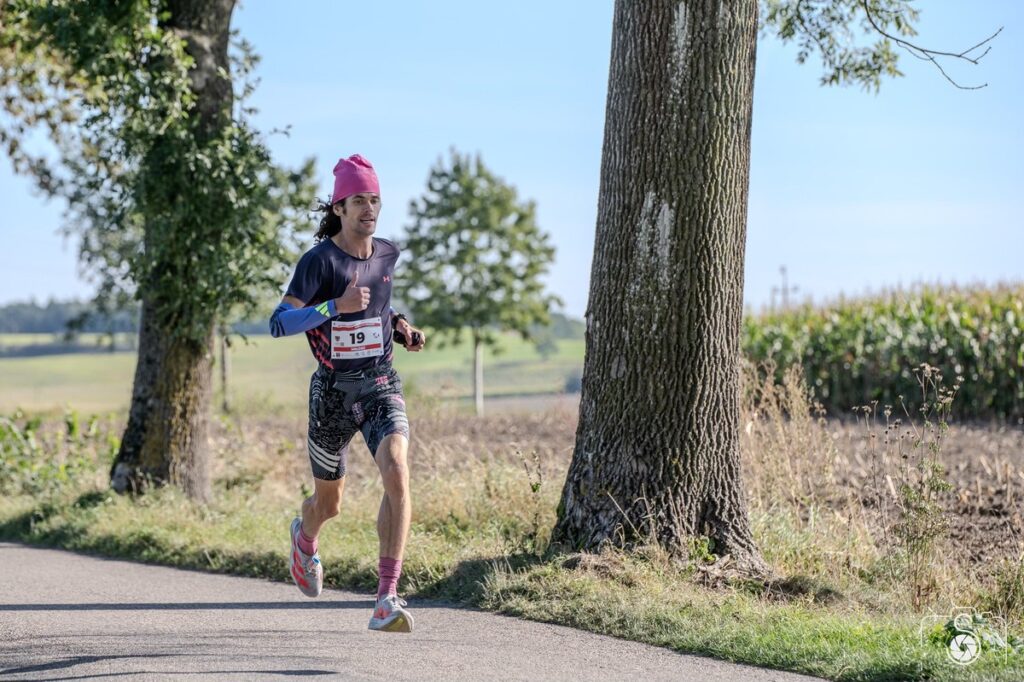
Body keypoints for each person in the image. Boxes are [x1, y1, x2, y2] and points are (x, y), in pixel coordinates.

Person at [269, 154, 425, 633]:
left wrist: (399, 325)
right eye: (359, 200)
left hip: (379, 382)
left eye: (374, 199)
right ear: (339, 207)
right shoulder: (319, 262)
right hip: (332, 395)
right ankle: (306, 539)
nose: (369, 208)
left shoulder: (386, 254)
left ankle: (386, 598)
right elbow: (279, 322)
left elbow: (378, 302)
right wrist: (332, 306)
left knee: (397, 469)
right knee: (328, 505)